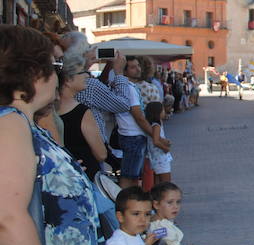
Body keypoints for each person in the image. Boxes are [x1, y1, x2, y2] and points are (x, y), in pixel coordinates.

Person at [0, 26, 106, 245]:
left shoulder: (21, 122)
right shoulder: (10, 123)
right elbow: (7, 214)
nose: (58, 75)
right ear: (31, 72)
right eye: (55, 66)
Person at [149, 183, 254, 245]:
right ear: (156, 204)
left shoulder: (155, 222)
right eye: (170, 202)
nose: (175, 206)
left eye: (178, 202)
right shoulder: (162, 228)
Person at [115, 57, 166, 189]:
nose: (138, 69)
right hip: (133, 136)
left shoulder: (128, 87)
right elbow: (139, 117)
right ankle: (127, 200)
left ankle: (132, 199)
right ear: (124, 71)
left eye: (138, 65)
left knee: (133, 177)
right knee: (129, 177)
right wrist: (156, 136)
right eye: (133, 67)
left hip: (132, 135)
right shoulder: (129, 88)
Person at [58, 57, 107, 180]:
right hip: (86, 174)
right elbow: (101, 154)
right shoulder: (82, 112)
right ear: (68, 80)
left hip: (63, 173)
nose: (87, 75)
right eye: (82, 72)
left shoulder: (48, 110)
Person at [144, 102, 173, 185]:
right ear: (157, 113)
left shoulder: (154, 125)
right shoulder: (156, 126)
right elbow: (155, 141)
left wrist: (165, 141)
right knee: (166, 183)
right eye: (162, 110)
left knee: (158, 183)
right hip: (160, 157)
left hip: (156, 158)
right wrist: (165, 148)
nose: (164, 112)